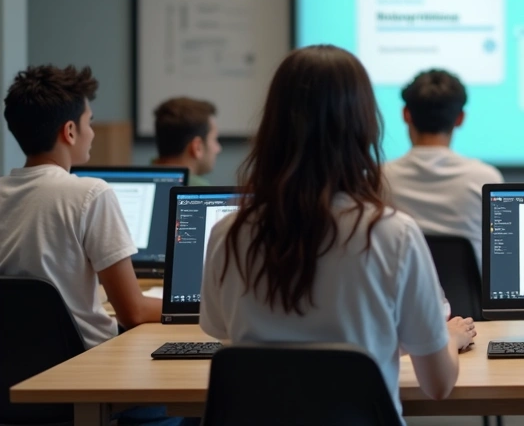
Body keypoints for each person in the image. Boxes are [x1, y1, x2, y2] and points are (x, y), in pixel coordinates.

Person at [200, 46, 476, 421]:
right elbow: (438, 385)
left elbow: (227, 339)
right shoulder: (393, 235)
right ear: (364, 126)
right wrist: (450, 338)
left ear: (272, 126)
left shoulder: (227, 234)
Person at [0, 65, 161, 347]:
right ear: (71, 131)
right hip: (85, 360)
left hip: (14, 368)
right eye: (90, 122)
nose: (93, 133)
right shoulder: (90, 193)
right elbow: (133, 312)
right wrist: (206, 307)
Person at [381, 70, 502, 268]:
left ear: (405, 114)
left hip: (402, 297)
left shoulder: (379, 178)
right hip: (468, 298)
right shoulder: (485, 179)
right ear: (460, 118)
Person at [151, 97, 222, 186]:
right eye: (214, 139)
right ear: (197, 147)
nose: (218, 149)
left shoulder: (140, 179)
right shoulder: (200, 191)